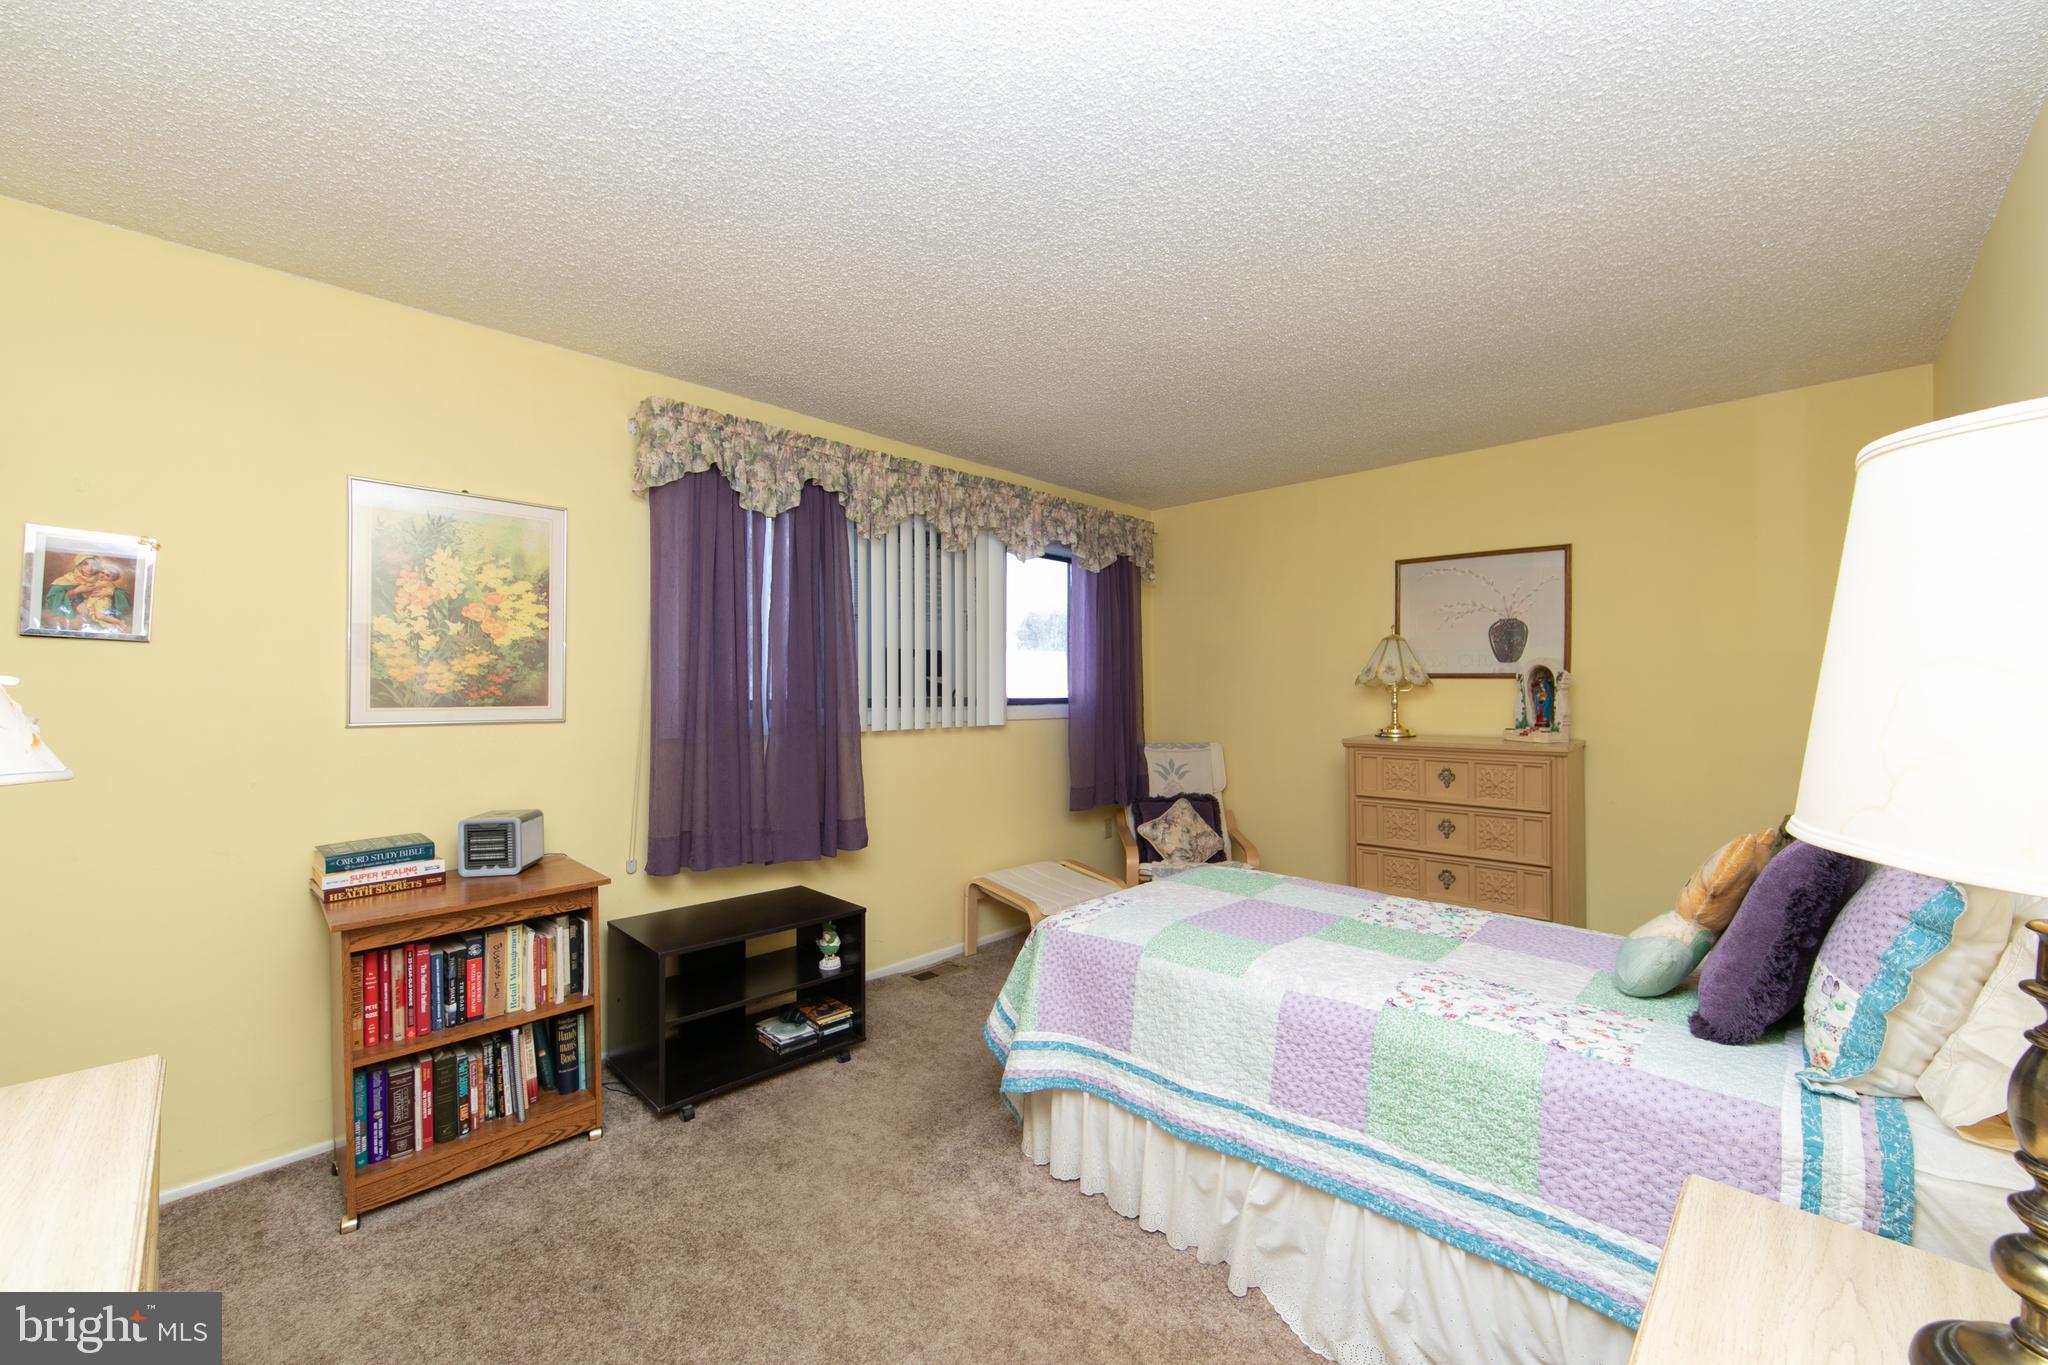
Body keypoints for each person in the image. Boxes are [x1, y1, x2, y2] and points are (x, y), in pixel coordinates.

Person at [43, 555, 131, 631]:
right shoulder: (66, 580)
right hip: (75, 619)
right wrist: (76, 591)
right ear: (79, 565)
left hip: (97, 610)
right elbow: (52, 599)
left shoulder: (101, 578)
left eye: (94, 565)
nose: (90, 568)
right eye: (85, 564)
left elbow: (119, 594)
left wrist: (110, 593)